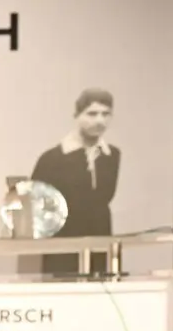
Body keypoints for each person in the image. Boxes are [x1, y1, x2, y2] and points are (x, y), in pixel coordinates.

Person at [31, 88, 121, 274]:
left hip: (100, 241)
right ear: (77, 115)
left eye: (106, 114)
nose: (99, 120)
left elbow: (104, 198)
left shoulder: (112, 155)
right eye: (92, 114)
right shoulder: (52, 158)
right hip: (64, 245)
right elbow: (36, 202)